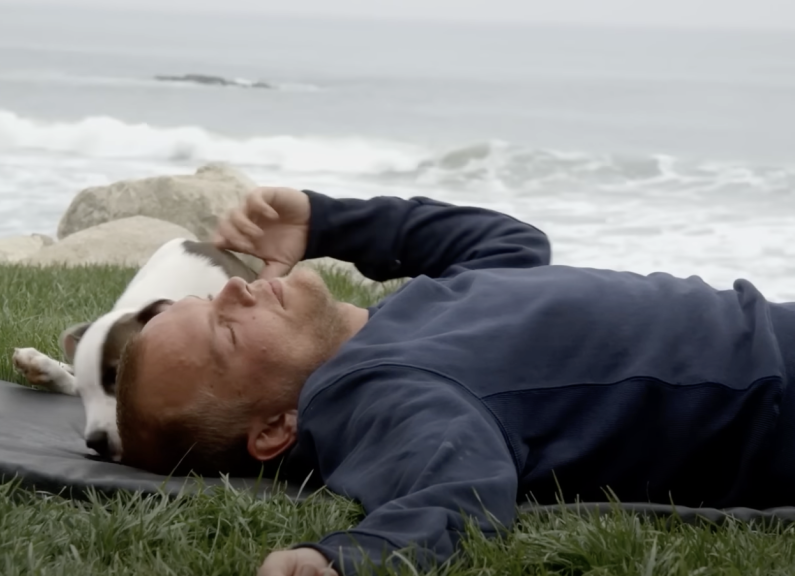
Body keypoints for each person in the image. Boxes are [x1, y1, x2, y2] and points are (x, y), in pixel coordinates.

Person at [112, 187, 795, 576]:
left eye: (207, 302)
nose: (232, 287)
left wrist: (329, 222)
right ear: (274, 428)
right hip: (775, 392)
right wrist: (347, 560)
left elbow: (512, 248)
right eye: (225, 332)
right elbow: (458, 491)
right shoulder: (373, 391)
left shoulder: (399, 320)